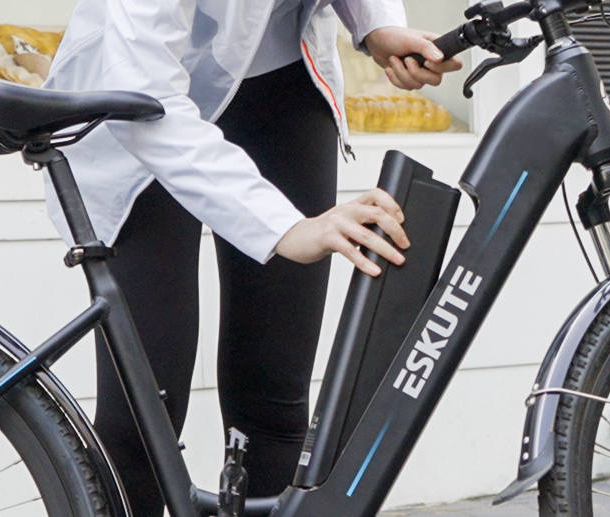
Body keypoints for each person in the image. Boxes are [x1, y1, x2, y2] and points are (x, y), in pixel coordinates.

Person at [41, 0, 460, 513]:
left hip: (281, 80)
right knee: (144, 415)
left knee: (274, 402)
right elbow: (144, 94)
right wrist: (285, 229)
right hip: (140, 106)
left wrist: (377, 26)